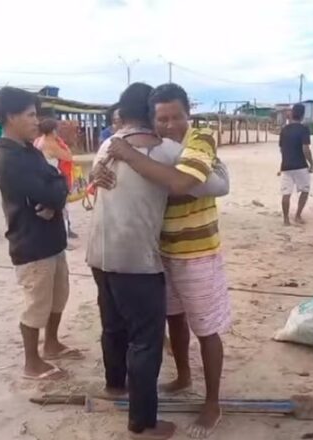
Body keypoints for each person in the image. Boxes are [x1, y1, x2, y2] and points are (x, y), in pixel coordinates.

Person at [97, 83, 231, 439]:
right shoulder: (154, 146)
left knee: (206, 329)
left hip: (197, 252)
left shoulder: (199, 140)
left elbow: (181, 182)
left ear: (189, 114)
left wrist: (129, 155)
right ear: (151, 119)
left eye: (176, 116)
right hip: (162, 251)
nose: (170, 125)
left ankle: (213, 403)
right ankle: (184, 376)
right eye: (162, 119)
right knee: (174, 319)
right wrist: (99, 174)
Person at [0, 86, 82, 382]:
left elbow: (58, 182)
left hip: (52, 239)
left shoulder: (29, 150)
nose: (36, 121)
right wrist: (54, 195)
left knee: (58, 296)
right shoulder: (8, 157)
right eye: (30, 115)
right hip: (30, 241)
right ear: (11, 116)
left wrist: (54, 197)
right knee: (37, 304)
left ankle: (52, 343)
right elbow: (49, 190)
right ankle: (32, 362)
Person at [34, 118, 78, 240]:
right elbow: (68, 157)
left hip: (42, 177)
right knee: (62, 209)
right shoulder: (51, 144)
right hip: (53, 179)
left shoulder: (38, 140)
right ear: (53, 130)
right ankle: (64, 237)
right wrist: (62, 144)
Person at [278, 103, 313, 226]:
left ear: (292, 113)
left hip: (286, 166)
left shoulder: (284, 129)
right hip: (300, 165)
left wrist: (285, 161)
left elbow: (281, 149)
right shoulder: (304, 129)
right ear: (302, 115)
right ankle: (298, 215)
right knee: (305, 190)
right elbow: (305, 149)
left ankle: (286, 220)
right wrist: (311, 163)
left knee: (286, 193)